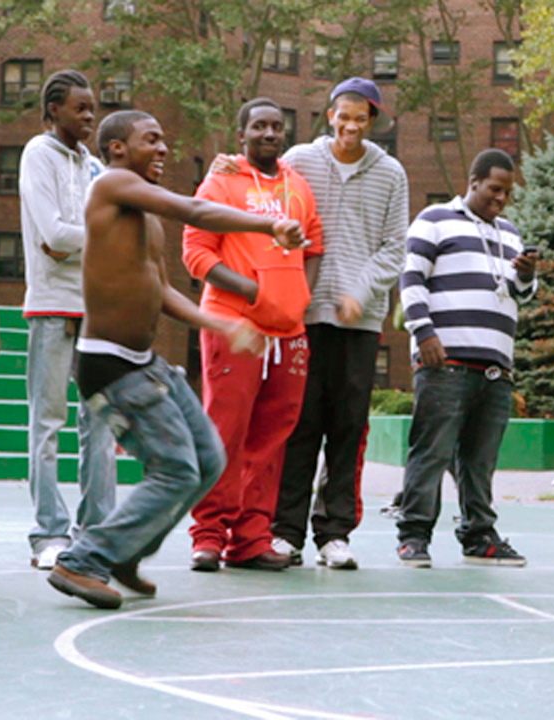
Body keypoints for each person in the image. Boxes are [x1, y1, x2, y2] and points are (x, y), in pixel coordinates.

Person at [46, 110, 305, 609]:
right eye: (152, 140)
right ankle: (82, 560)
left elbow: (161, 290)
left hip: (143, 363)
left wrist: (221, 323)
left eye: (165, 139)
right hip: (109, 365)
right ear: (118, 148)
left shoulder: (143, 220)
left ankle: (126, 552)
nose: (163, 149)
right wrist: (268, 222)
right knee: (176, 470)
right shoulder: (113, 186)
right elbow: (197, 212)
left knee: (209, 458)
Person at [269, 77, 409, 569]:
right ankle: (285, 532)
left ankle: (334, 534)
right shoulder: (300, 162)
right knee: (300, 423)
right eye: (342, 115)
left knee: (348, 426)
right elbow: (262, 191)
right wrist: (228, 164)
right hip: (304, 314)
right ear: (330, 115)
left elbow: (396, 248)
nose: (350, 125)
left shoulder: (391, 173)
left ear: (373, 122)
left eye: (361, 118)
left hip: (359, 320)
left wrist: (361, 291)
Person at [182, 98, 324, 572]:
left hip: (289, 330)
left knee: (271, 439)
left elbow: (315, 245)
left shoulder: (298, 185)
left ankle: (250, 539)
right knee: (225, 433)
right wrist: (254, 292)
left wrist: (300, 296)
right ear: (240, 134)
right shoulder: (220, 181)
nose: (269, 133)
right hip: (234, 325)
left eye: (277, 127)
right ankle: (207, 535)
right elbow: (197, 255)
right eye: (259, 126)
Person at [395, 148, 538, 568]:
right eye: (495, 188)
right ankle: (414, 535)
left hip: (496, 365)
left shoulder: (509, 232)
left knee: (480, 458)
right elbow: (411, 277)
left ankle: (479, 535)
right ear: (473, 181)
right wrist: (424, 333)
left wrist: (526, 274)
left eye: (508, 192)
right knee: (432, 450)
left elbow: (519, 294)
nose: (501, 198)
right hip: (445, 359)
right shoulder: (435, 219)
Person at [20, 69, 117, 570]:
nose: (89, 116)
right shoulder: (38, 154)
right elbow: (54, 235)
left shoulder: (94, 166)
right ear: (54, 109)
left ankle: (98, 530)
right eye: (80, 108)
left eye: (93, 108)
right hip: (53, 307)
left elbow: (98, 233)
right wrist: (93, 237)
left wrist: (83, 238)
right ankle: (48, 533)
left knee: (100, 423)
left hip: (96, 308)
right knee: (48, 422)